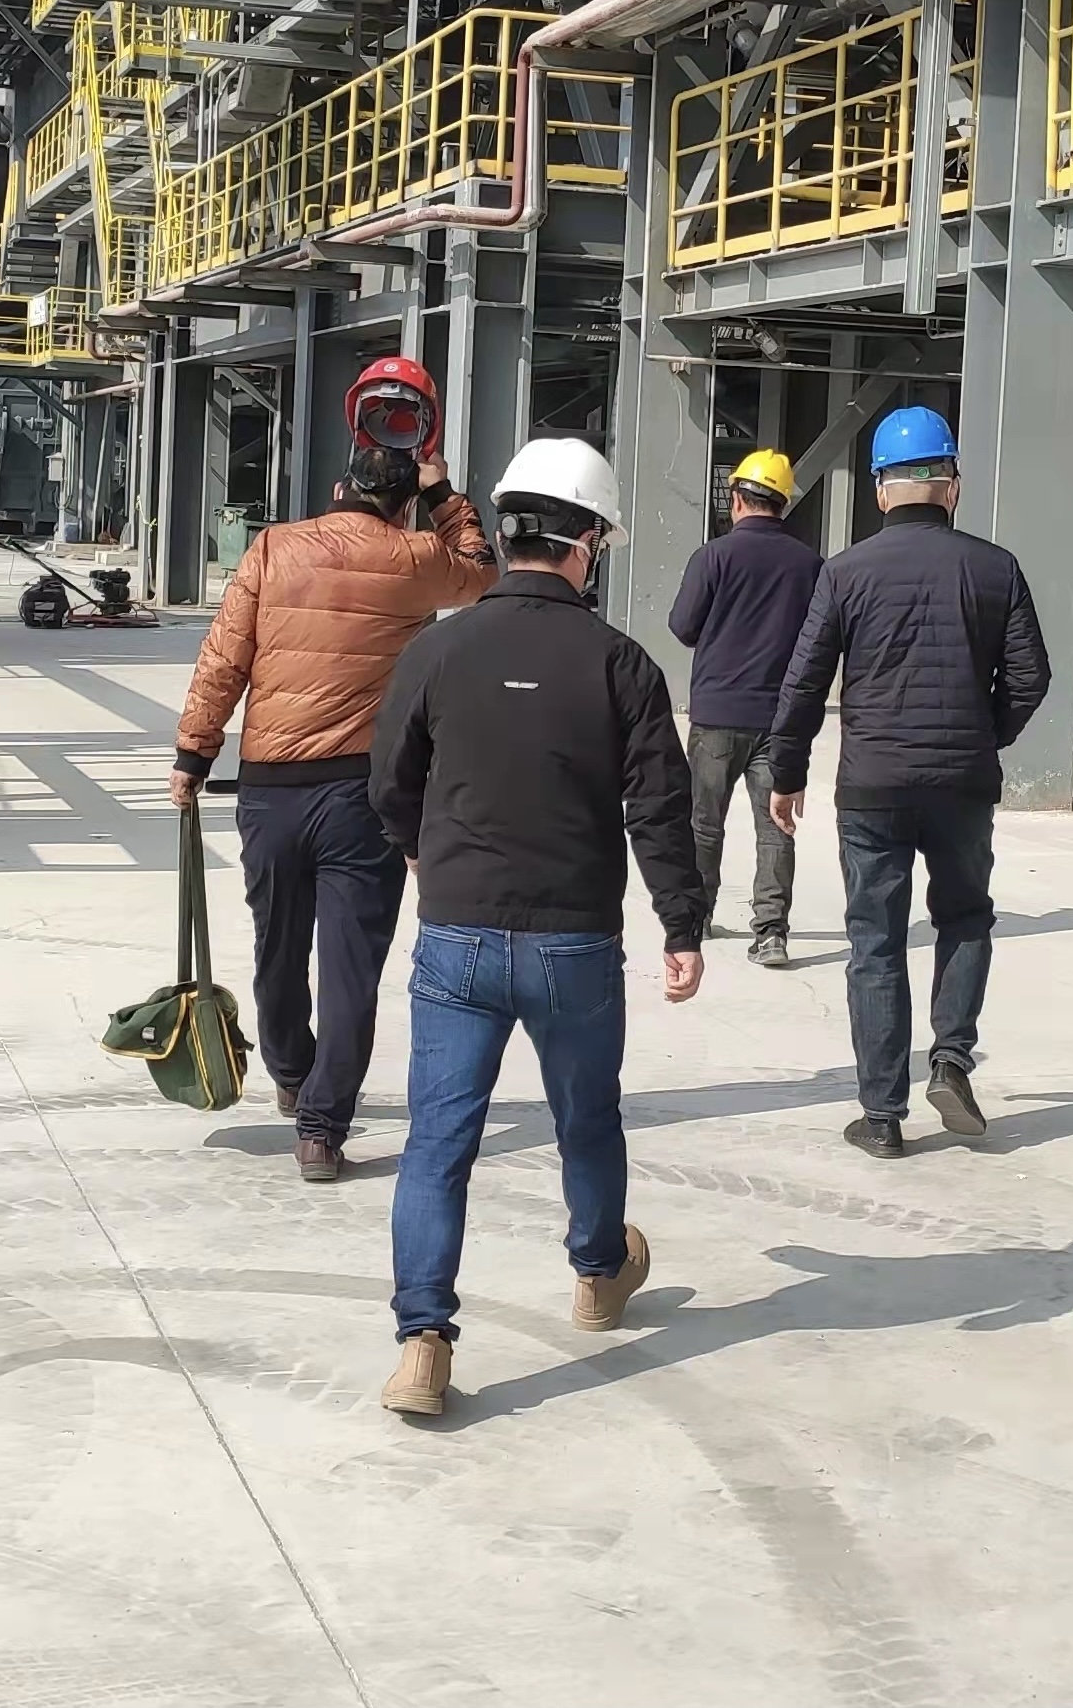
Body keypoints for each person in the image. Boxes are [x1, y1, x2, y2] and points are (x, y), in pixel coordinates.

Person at [368, 436, 709, 1418]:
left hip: (458, 935)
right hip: (574, 942)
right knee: (586, 1119)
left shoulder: (437, 649)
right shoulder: (621, 664)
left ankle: (422, 1342)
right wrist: (681, 924)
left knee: (439, 1141)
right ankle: (599, 1274)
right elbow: (659, 808)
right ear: (585, 542)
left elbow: (388, 780)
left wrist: (419, 849)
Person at [169, 371, 493, 1184]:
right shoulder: (416, 558)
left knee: (277, 946)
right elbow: (481, 567)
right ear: (400, 502)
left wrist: (193, 754)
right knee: (352, 968)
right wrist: (443, 492)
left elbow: (224, 658)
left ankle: (289, 1070)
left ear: (340, 486)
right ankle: (321, 1131)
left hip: (270, 788)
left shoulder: (273, 547)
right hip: (363, 798)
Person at [767, 407, 1051, 1160]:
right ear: (951, 485)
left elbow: (802, 685)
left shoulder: (844, 572)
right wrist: (982, 736)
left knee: (875, 942)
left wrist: (786, 774)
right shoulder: (996, 568)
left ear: (880, 489)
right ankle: (951, 1059)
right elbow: (1031, 677)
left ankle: (882, 1116)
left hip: (873, 786)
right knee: (965, 918)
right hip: (962, 784)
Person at [667, 448, 823, 966]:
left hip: (716, 714)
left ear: (736, 498)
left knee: (703, 823)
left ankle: (697, 917)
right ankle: (772, 932)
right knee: (775, 825)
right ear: (783, 503)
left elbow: (682, 626)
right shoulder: (809, 565)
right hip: (779, 719)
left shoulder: (712, 557)